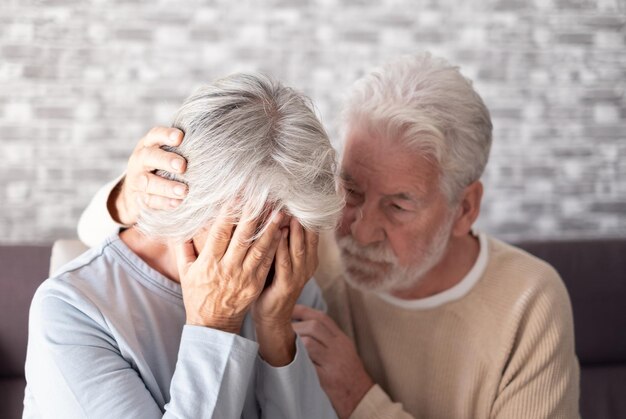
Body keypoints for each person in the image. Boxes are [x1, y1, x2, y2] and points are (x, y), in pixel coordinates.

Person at [77, 53, 580, 418]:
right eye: (352, 191)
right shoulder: (305, 251)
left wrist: (363, 401)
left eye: (399, 206)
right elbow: (104, 253)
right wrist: (133, 196)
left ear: (464, 207)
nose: (357, 229)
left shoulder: (528, 301)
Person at [24, 73, 344, 418]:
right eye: (254, 231)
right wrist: (215, 325)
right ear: (190, 203)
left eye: (290, 227)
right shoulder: (71, 311)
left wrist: (277, 332)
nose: (272, 253)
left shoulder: (289, 285)